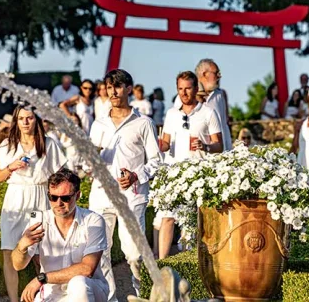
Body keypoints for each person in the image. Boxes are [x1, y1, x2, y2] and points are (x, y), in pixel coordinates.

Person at [87, 69, 162, 301]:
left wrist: (136, 175)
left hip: (132, 195)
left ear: (129, 89)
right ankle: (111, 298)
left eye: (118, 87)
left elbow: (157, 161)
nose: (113, 92)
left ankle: (140, 295)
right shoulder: (98, 124)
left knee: (133, 254)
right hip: (101, 195)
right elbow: (88, 162)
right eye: (110, 87)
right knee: (101, 252)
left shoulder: (144, 123)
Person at [0, 105, 66, 302]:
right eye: (21, 118)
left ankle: (46, 297)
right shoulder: (7, 145)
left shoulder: (48, 144)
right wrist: (11, 167)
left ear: (36, 120)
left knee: (41, 253)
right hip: (15, 199)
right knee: (9, 252)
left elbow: (61, 176)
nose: (25, 122)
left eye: (29, 118)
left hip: (40, 195)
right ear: (16, 121)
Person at [12, 168, 108, 302]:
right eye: (53, 197)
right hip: (52, 293)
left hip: (90, 291)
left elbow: (87, 269)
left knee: (78, 283)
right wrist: (21, 246)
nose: (58, 203)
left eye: (66, 198)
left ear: (78, 195)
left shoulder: (93, 221)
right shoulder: (38, 220)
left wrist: (41, 278)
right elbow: (18, 265)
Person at [156, 71, 223, 259]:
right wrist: (157, 144)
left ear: (195, 89)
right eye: (180, 89)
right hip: (175, 173)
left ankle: (188, 263)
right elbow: (166, 143)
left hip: (198, 176)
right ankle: (161, 264)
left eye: (187, 88)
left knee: (191, 223)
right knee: (167, 218)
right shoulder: (171, 114)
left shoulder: (208, 112)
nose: (183, 93)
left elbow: (219, 145)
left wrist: (206, 145)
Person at [195, 59, 232, 151]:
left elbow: (225, 125)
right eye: (216, 73)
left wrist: (228, 149)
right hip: (197, 155)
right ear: (204, 74)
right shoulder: (185, 97)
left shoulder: (221, 95)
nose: (219, 76)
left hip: (220, 153)